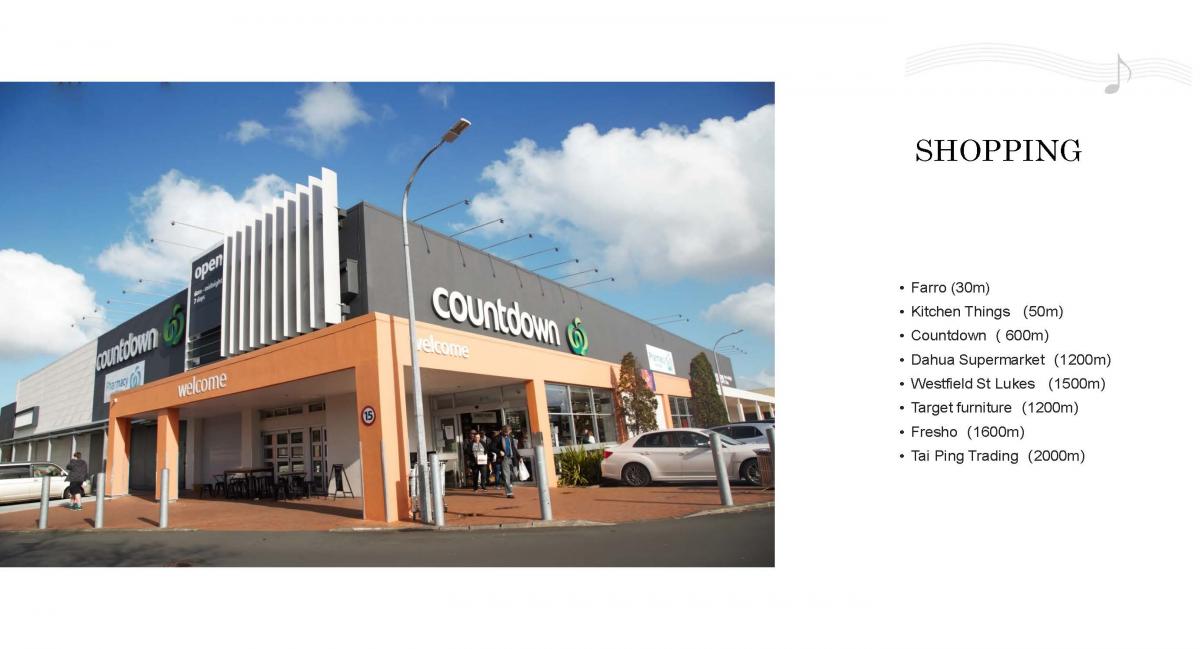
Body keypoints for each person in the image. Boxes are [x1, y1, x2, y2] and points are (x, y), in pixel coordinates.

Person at [494, 425, 518, 498]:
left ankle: (504, 481)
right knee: (506, 475)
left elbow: (513, 448)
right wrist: (499, 451)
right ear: (502, 431)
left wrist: (519, 457)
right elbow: (491, 447)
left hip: (512, 458)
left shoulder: (510, 438)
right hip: (504, 458)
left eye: (507, 432)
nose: (506, 433)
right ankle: (509, 493)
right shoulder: (498, 438)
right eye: (505, 432)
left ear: (510, 431)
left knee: (513, 474)